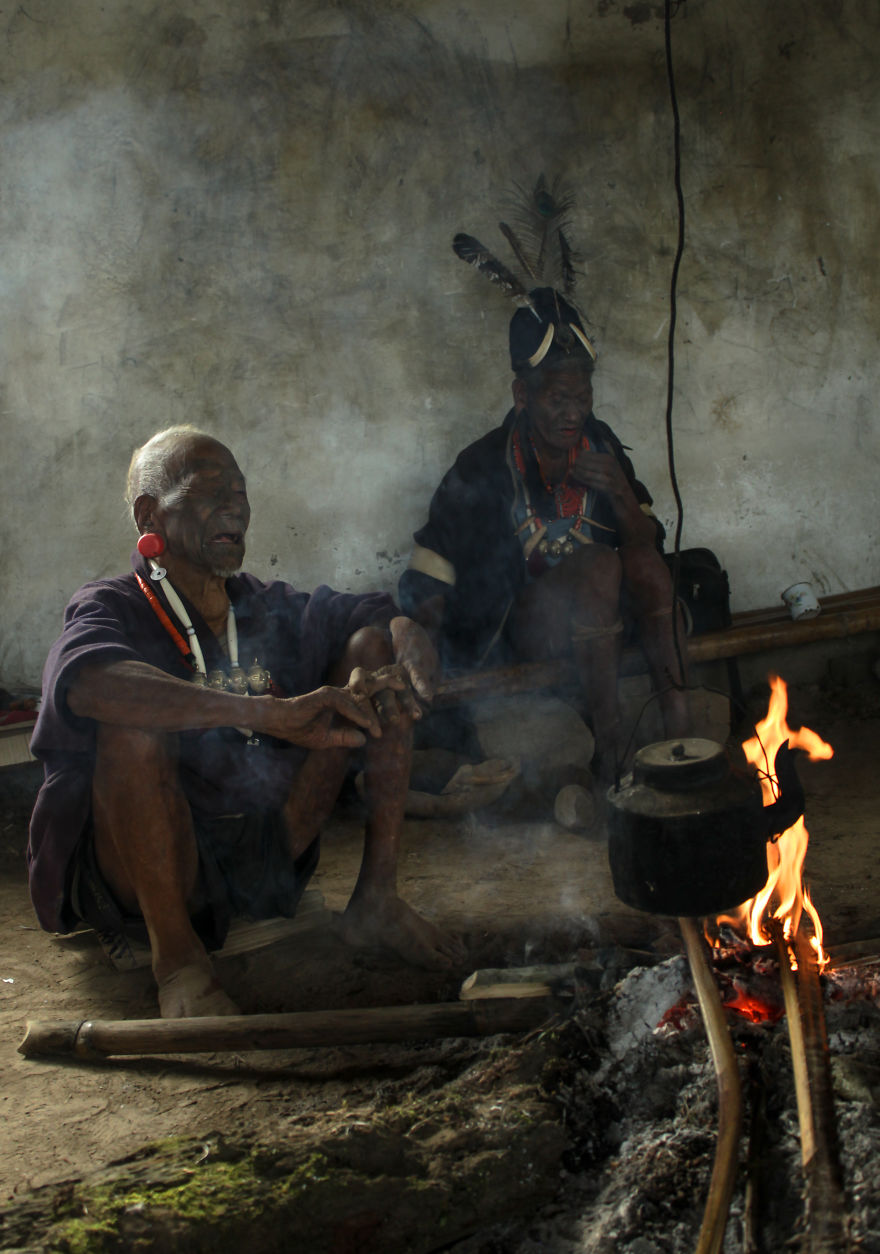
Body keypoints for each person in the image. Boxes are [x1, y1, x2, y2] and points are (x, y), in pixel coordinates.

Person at [28, 426, 462, 1019]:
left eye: (241, 491)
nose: (236, 506)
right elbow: (87, 682)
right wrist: (269, 714)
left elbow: (362, 612)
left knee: (371, 653)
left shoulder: (264, 604)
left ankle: (377, 900)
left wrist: (403, 630)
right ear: (150, 515)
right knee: (131, 723)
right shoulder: (111, 606)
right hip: (156, 864)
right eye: (211, 491)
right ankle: (178, 960)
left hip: (266, 851)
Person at [399, 287, 690, 782]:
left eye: (583, 398)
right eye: (558, 399)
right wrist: (426, 647)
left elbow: (649, 548)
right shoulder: (483, 466)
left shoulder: (599, 443)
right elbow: (425, 579)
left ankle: (680, 726)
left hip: (606, 626)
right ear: (522, 396)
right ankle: (612, 739)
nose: (573, 413)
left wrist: (620, 489)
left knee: (638, 563)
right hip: (527, 633)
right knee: (600, 564)